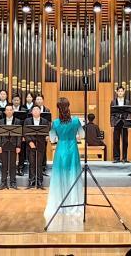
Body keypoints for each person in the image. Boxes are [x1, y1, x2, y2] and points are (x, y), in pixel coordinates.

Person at [43, 97, 84, 226]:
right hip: (73, 150)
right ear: (68, 106)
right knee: (73, 176)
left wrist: (59, 136)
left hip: (60, 150)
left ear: (58, 108)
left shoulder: (55, 123)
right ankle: (73, 204)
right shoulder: (76, 121)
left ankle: (60, 204)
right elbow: (82, 135)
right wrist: (74, 135)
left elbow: (52, 139)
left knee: (59, 178)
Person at [23, 106, 50, 189]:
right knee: (32, 163)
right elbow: (25, 132)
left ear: (40, 112)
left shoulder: (45, 121)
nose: (35, 111)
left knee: (39, 163)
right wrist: (30, 142)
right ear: (31, 112)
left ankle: (39, 181)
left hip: (41, 144)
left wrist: (47, 136)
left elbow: (47, 131)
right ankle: (31, 181)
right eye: (34, 110)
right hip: (30, 144)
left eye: (37, 109)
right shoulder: (27, 121)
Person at [0, 105, 21, 189]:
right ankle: (3, 182)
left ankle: (13, 182)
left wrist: (18, 146)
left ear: (13, 111)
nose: (9, 111)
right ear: (5, 112)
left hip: (13, 145)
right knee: (4, 164)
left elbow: (19, 135)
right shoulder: (1, 121)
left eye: (11, 110)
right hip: (4, 144)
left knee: (13, 165)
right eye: (7, 110)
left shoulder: (17, 121)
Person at [110, 85, 130, 163]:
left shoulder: (127, 102)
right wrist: (112, 124)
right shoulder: (113, 102)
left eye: (122, 91)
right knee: (116, 140)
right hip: (116, 122)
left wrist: (128, 123)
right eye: (119, 91)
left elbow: (129, 113)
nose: (120, 92)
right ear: (117, 92)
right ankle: (116, 158)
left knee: (125, 141)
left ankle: (124, 158)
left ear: (124, 92)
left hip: (124, 123)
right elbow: (111, 113)